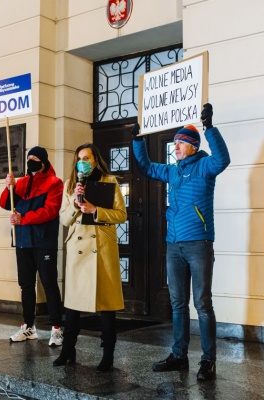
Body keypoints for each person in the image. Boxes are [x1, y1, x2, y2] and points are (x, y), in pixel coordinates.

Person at [131, 103, 230, 381]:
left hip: (199, 243)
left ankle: (208, 361)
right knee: (177, 303)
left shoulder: (205, 166)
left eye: (179, 143)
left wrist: (209, 128)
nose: (175, 147)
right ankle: (178, 355)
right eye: (174, 143)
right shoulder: (173, 172)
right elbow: (148, 167)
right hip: (173, 246)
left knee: (202, 303)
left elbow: (224, 160)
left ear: (192, 145)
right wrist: (137, 140)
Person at [53, 143, 127, 372]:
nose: (81, 162)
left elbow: (121, 215)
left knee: (106, 306)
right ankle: (67, 350)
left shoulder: (109, 181)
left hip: (102, 249)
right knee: (73, 307)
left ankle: (108, 355)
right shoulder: (70, 185)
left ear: (96, 160)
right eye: (79, 158)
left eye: (86, 157)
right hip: (78, 250)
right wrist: (76, 204)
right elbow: (64, 220)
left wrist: (95, 209)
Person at [0, 146, 64, 347]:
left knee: (49, 283)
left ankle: (56, 329)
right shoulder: (23, 182)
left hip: (43, 240)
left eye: (35, 158)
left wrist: (23, 219)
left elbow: (50, 211)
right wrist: (8, 186)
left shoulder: (55, 183)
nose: (31, 161)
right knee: (26, 285)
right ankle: (28, 326)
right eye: (29, 158)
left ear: (43, 160)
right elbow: (5, 204)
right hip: (22, 240)